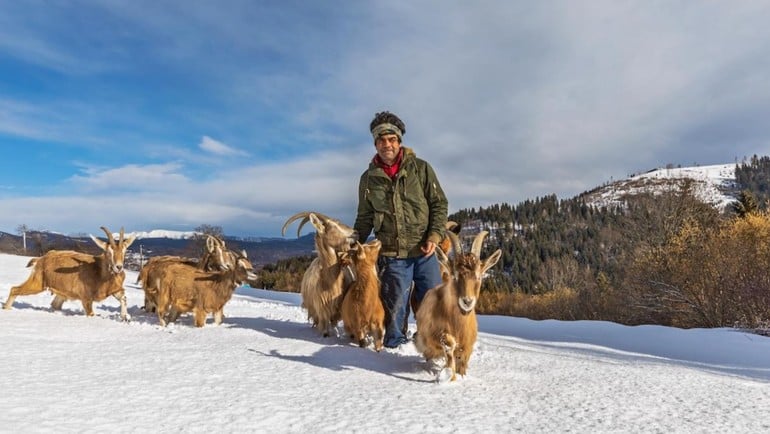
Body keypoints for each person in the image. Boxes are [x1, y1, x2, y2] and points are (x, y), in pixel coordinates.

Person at [354, 111, 448, 348]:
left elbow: (439, 204)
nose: (387, 144)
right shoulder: (368, 179)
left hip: (425, 251)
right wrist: (354, 243)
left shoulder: (421, 169)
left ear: (399, 141)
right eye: (382, 140)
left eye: (392, 139)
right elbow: (365, 217)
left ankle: (435, 345)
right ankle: (395, 347)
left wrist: (434, 236)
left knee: (435, 302)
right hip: (392, 254)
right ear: (375, 144)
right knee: (394, 306)